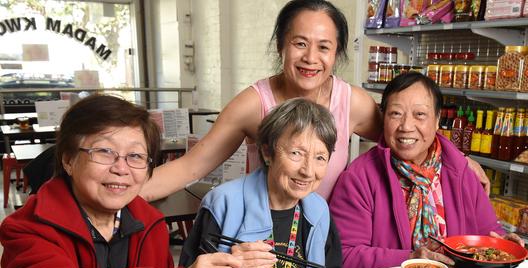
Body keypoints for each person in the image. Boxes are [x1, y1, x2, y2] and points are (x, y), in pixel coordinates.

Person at [0, 95, 275, 268]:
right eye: (105, 152)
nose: (121, 168)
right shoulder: (28, 229)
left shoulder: (150, 226)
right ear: (68, 159)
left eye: (135, 156)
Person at [140, 0, 489, 202]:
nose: (311, 58)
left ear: (336, 53)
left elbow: (407, 136)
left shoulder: (350, 101)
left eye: (323, 47)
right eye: (299, 43)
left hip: (327, 237)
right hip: (264, 237)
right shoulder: (253, 103)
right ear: (281, 45)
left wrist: (461, 161)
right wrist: (115, 194)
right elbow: (190, 167)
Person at [329, 72, 523, 268]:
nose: (406, 126)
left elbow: (487, 232)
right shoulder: (360, 177)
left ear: (438, 120)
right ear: (383, 118)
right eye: (395, 113)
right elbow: (344, 256)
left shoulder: (461, 172)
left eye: (420, 114)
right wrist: (409, 260)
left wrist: (503, 245)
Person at [180, 98, 348, 268]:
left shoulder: (318, 211)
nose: (308, 171)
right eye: (296, 153)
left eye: (320, 158)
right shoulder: (223, 204)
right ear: (267, 153)